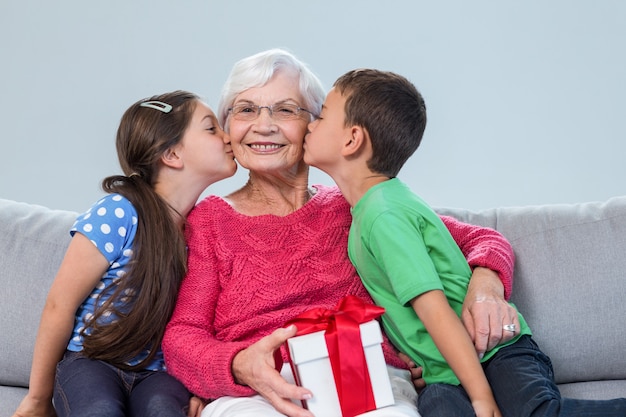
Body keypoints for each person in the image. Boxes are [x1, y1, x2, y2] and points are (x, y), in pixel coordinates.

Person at [161, 49, 519, 417]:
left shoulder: (358, 205)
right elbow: (182, 334)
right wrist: (236, 364)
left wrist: (485, 287)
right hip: (261, 389)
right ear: (228, 125)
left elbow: (483, 239)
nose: (263, 125)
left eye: (284, 110)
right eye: (245, 109)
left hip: (364, 373)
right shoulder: (210, 221)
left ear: (315, 125)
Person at [304, 68, 626, 417]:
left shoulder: (384, 216)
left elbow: (436, 311)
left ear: (352, 140)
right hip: (445, 374)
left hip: (495, 353)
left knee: (536, 413)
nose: (309, 125)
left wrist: (482, 397)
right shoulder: (374, 207)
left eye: (320, 117)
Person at [12, 90, 237, 417]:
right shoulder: (120, 212)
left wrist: (199, 386)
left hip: (158, 373)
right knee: (99, 410)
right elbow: (59, 305)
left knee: (163, 409)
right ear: (172, 154)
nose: (228, 136)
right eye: (211, 128)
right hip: (92, 362)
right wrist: (37, 399)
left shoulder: (203, 230)